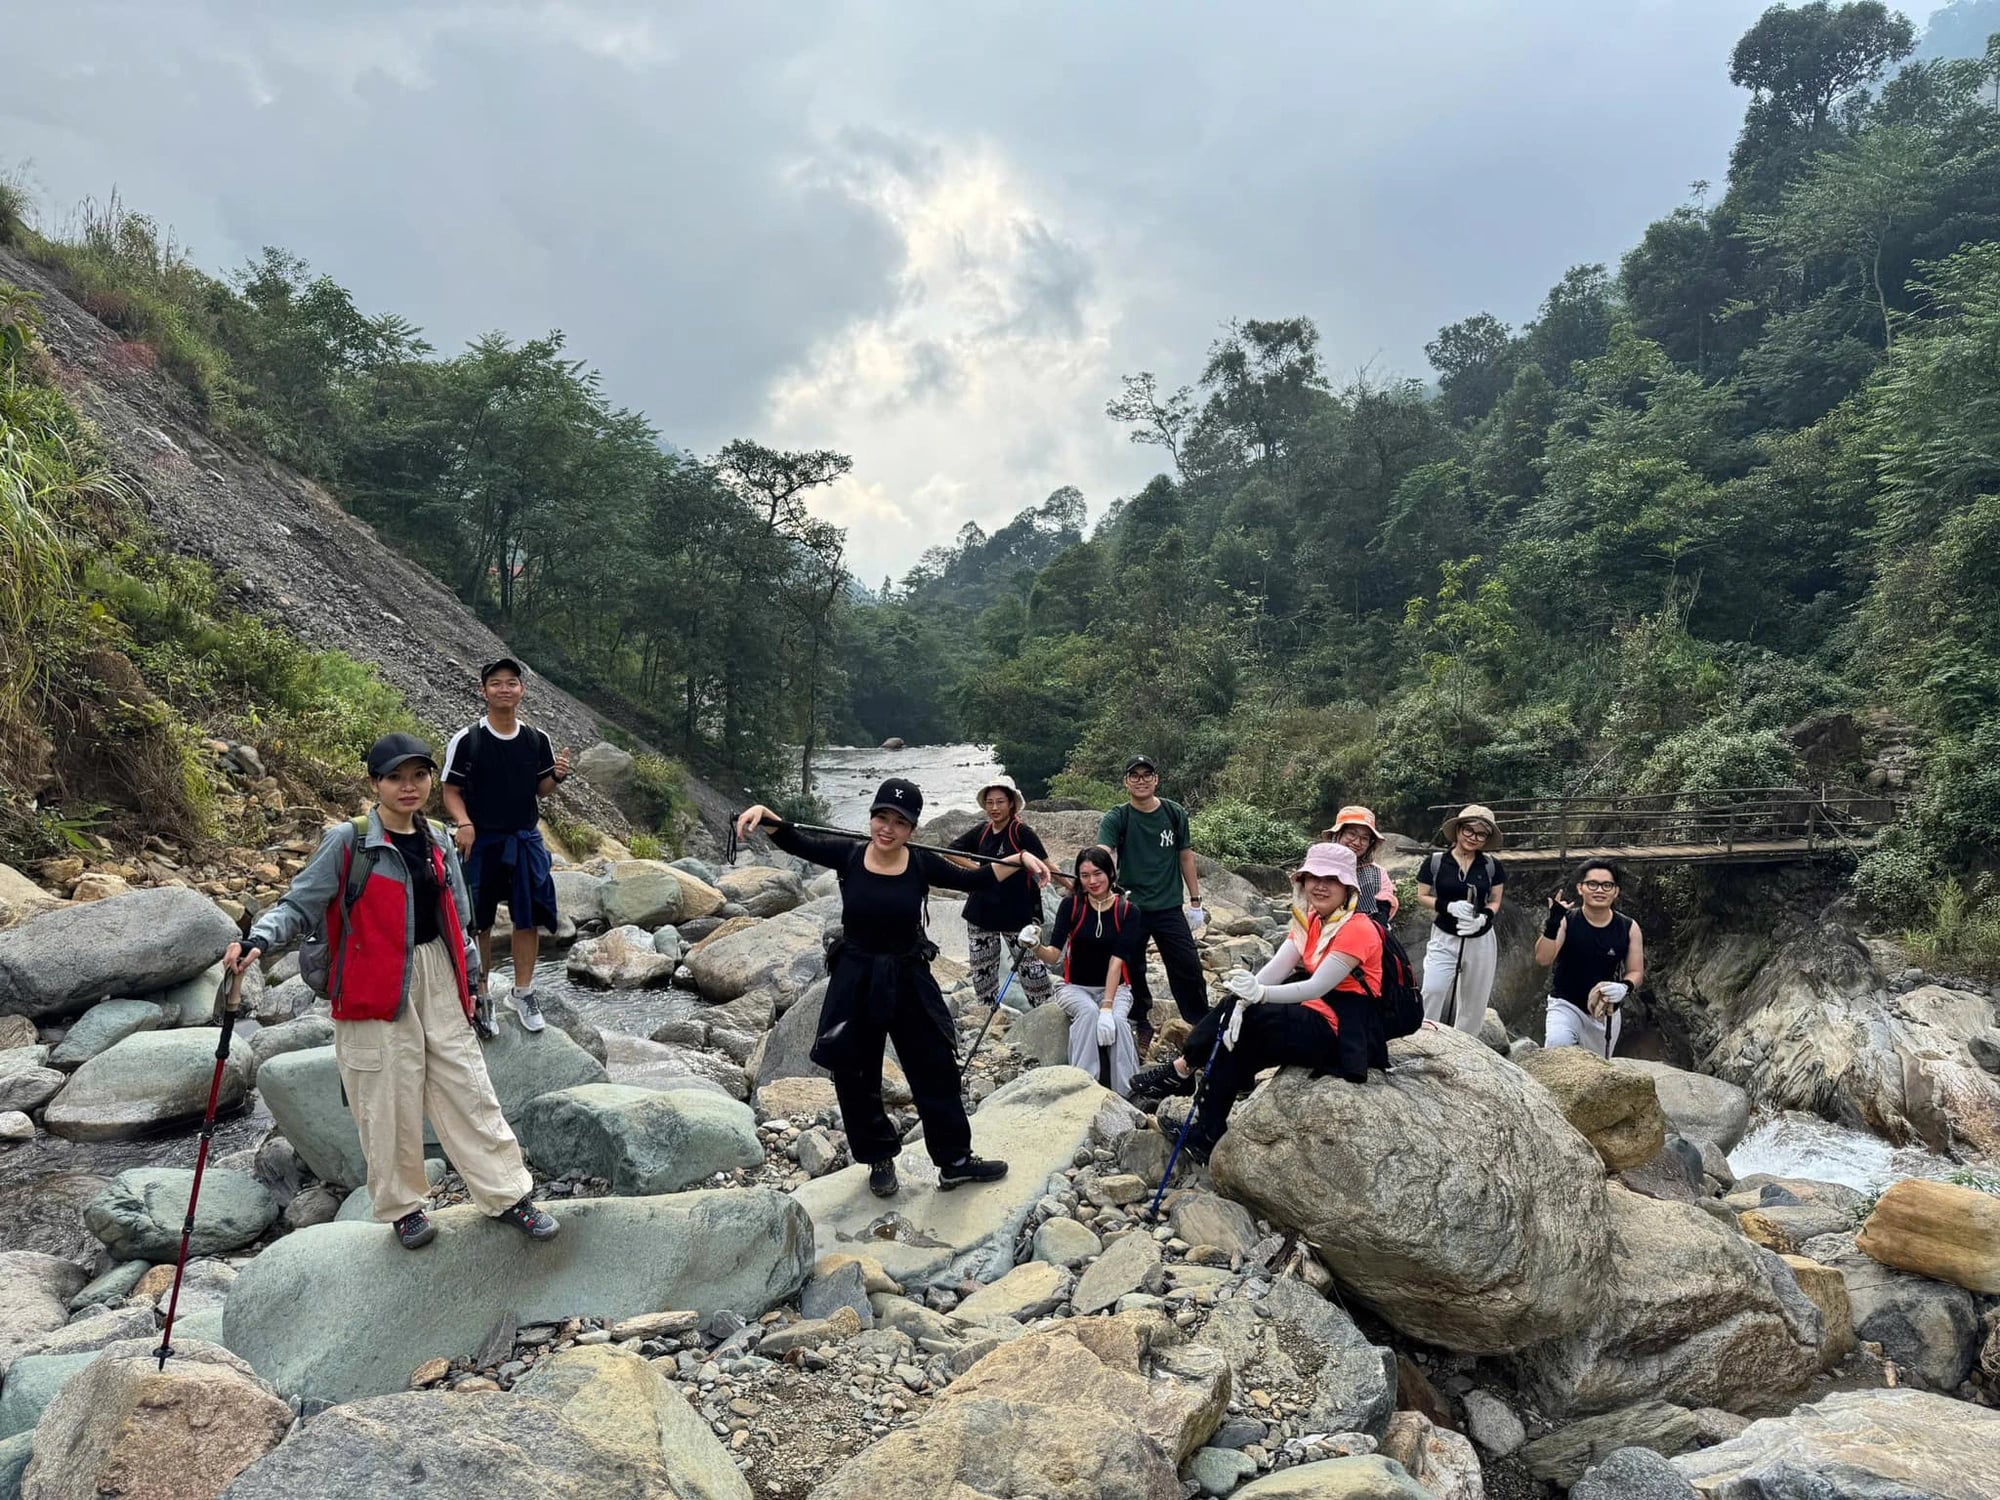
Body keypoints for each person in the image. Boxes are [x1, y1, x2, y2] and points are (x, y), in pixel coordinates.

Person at [224, 732, 558, 1250]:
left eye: (419, 776)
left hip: (438, 977)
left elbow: (459, 916)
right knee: (385, 1101)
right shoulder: (349, 840)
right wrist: (256, 941)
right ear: (375, 782)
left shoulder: (438, 839)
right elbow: (299, 904)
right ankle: (404, 1209)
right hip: (372, 986)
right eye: (396, 778)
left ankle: (509, 1196)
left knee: (468, 1089)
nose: (409, 787)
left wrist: (473, 978)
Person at [734, 778, 1050, 1198]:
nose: (888, 827)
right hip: (856, 975)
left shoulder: (920, 863)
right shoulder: (848, 854)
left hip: (908, 975)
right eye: (881, 817)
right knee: (856, 1070)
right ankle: (878, 1158)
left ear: (912, 828)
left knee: (935, 1064)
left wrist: (1021, 857)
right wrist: (765, 813)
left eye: (899, 822)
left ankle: (954, 1160)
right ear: (871, 818)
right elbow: (798, 840)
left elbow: (973, 880)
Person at [1127, 842, 1385, 1161]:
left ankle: (1181, 1070)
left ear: (1347, 886)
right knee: (1237, 1019)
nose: (1320, 885)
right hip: (1313, 1015)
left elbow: (1316, 986)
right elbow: (1277, 970)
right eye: (1313, 877)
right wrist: (1242, 996)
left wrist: (1258, 996)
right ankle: (1206, 1129)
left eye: (1331, 879)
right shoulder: (1311, 922)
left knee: (1253, 1018)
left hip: (1341, 1029)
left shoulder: (1358, 928)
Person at [440, 657, 572, 1037]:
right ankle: (481, 993)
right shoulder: (468, 740)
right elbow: (450, 790)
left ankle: (523, 991)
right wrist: (464, 824)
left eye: (511, 683)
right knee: (478, 920)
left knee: (526, 917)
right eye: (495, 683)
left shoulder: (535, 739)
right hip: (480, 840)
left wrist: (557, 778)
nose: (504, 689)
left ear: (521, 690)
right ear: (483, 692)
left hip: (524, 837)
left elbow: (540, 789)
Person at [1094, 755, 1205, 1034]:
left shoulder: (1173, 812)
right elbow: (1104, 851)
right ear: (1126, 782)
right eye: (1135, 775)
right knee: (1132, 967)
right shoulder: (1118, 817)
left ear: (1156, 779)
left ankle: (1200, 1021)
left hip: (1168, 907)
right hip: (1131, 907)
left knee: (1187, 965)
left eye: (1147, 775)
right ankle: (1139, 1020)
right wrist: (1095, 870)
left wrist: (1195, 901)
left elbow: (1186, 856)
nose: (1141, 780)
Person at [1020, 847, 1143, 1093]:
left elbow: (1117, 961)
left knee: (1118, 1022)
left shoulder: (1127, 911)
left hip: (1116, 989)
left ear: (1110, 873)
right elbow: (1054, 953)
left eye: (1097, 873)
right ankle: (1083, 1087)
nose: (1092, 881)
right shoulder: (1071, 906)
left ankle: (1127, 1092)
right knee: (1087, 1013)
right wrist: (1035, 946)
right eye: (1085, 875)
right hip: (1075, 987)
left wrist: (1107, 1007)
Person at [948, 776, 1053, 1011]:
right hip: (981, 911)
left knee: (1031, 968)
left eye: (1000, 802)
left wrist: (1075, 888)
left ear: (1011, 804)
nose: (994, 808)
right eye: (990, 802)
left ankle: (1046, 1013)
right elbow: (951, 850)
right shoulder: (982, 831)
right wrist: (978, 872)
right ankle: (987, 1014)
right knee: (982, 971)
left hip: (1016, 912)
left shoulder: (1021, 832)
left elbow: (1047, 865)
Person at [1536, 860, 1645, 1057]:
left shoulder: (1629, 927)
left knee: (1599, 1072)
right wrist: (1552, 923)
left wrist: (1624, 987)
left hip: (1605, 1010)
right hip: (1565, 1004)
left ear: (1616, 891)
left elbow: (1636, 971)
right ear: (1580, 888)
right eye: (1592, 884)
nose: (1599, 890)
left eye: (1607, 885)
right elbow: (1543, 958)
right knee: (1557, 1047)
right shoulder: (1566, 920)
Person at [1415, 804, 1506, 1034]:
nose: (1473, 838)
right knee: (1433, 989)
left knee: (1474, 1001)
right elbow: (1422, 896)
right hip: (1444, 934)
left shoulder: (1491, 866)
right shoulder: (1435, 862)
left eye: (1481, 834)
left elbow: (1495, 901)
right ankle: (1424, 1037)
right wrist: (1448, 907)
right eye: (1469, 830)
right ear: (1458, 830)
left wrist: (1483, 918)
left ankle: (1466, 1046)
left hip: (1480, 937)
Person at [1323, 806, 1399, 919]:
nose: (1357, 843)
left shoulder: (1376, 873)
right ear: (1338, 834)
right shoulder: (1319, 867)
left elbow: (1385, 902)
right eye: (1352, 834)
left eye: (1364, 838)